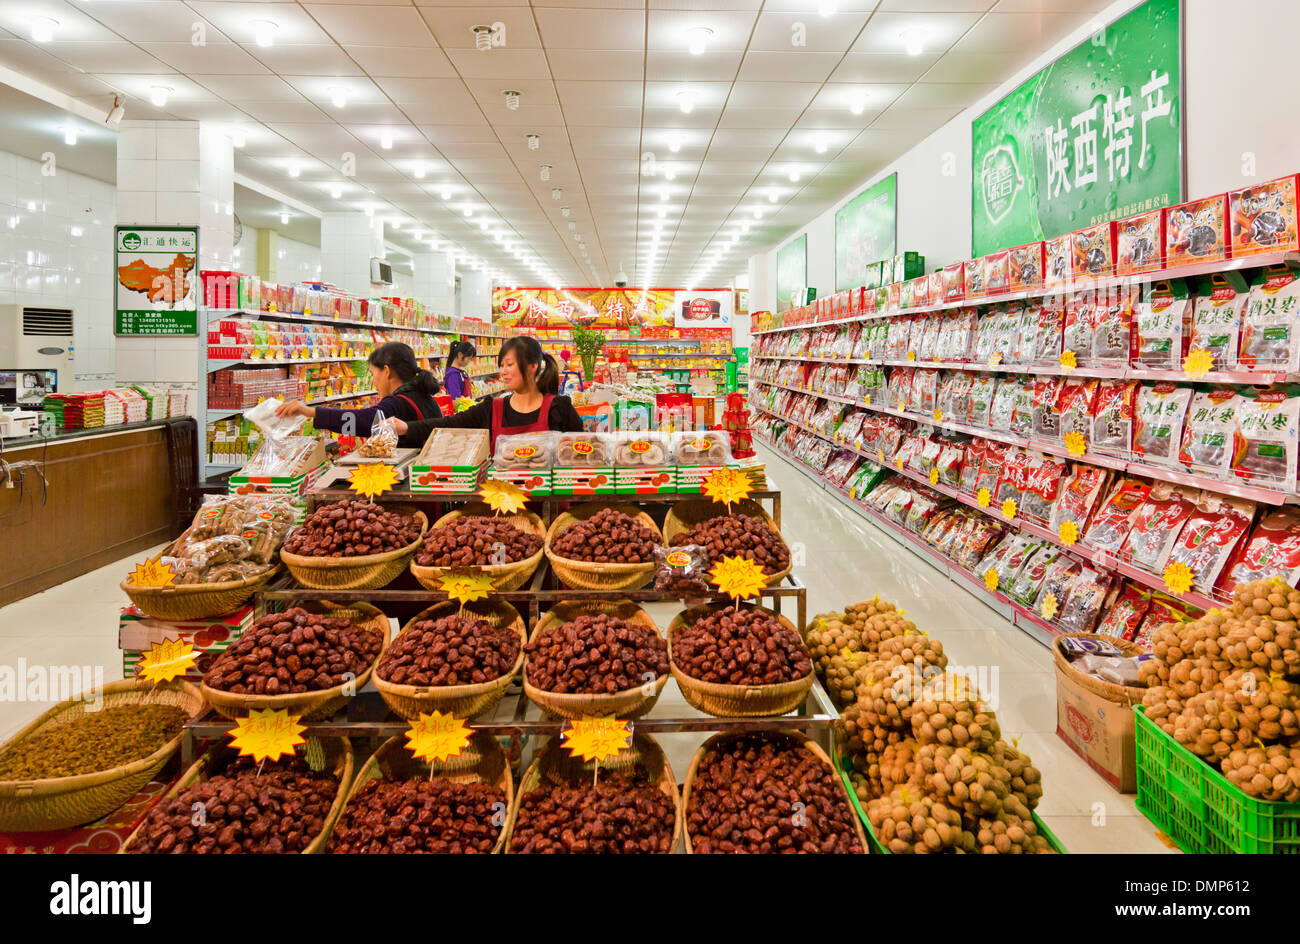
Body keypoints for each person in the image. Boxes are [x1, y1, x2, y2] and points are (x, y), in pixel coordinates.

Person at [391, 335, 583, 448]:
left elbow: (579, 455)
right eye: (501, 365)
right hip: (501, 507)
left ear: (533, 367)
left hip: (551, 508)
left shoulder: (559, 407)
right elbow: (448, 424)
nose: (503, 371)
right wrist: (407, 427)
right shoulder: (493, 408)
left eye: (509, 364)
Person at [274, 340, 441, 449]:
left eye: (373, 373)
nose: (373, 381)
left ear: (387, 371)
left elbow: (363, 421)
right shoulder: (426, 398)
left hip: (410, 486)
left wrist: (311, 412)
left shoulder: (396, 403)